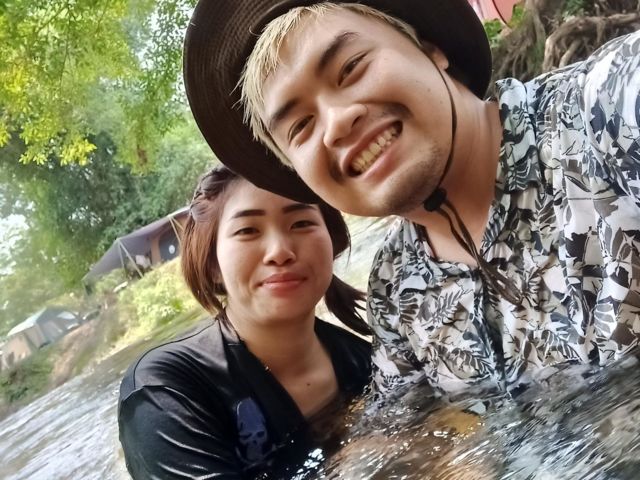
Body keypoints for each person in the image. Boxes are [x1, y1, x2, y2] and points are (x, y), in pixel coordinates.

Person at [182, 1, 640, 399]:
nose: (337, 123)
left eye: (351, 68)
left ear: (430, 48)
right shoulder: (394, 287)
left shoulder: (604, 110)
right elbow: (402, 430)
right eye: (301, 127)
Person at [118, 166, 372, 478]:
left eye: (302, 223)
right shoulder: (167, 389)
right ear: (213, 264)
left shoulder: (364, 361)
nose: (280, 251)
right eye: (248, 230)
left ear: (330, 243)